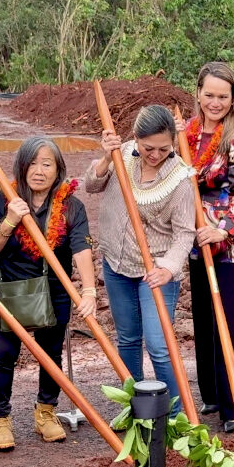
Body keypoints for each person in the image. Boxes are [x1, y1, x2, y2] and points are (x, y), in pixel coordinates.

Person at [0, 137, 97, 449]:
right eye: (33, 163)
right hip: (9, 290)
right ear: (22, 166)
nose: (39, 171)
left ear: (58, 170)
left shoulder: (71, 205)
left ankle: (46, 412)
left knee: (50, 355)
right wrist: (10, 220)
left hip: (54, 291)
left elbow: (82, 248)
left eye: (47, 164)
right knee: (4, 355)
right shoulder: (4, 199)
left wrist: (89, 291)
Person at [87, 105, 195, 414]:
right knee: (128, 339)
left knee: (160, 346)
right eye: (148, 148)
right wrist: (106, 157)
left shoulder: (181, 178)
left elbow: (185, 234)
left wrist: (168, 268)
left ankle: (175, 415)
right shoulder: (121, 154)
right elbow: (91, 186)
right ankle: (133, 408)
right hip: (116, 264)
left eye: (164, 148)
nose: (156, 154)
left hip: (156, 270)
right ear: (136, 138)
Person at [182, 62, 234, 433]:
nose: (215, 102)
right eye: (209, 95)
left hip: (232, 245)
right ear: (198, 93)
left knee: (227, 320)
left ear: (233, 99)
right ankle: (212, 395)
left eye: (222, 96)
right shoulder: (186, 135)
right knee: (204, 320)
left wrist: (222, 229)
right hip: (196, 242)